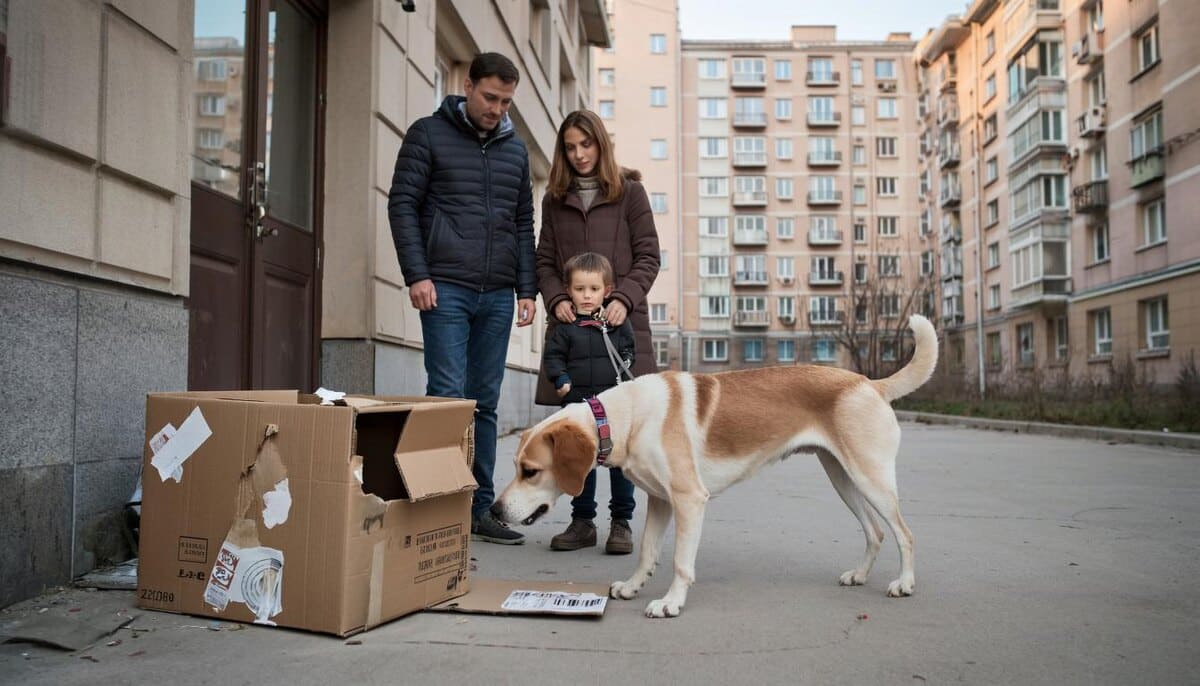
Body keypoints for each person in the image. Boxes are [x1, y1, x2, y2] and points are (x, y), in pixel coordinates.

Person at [388, 52, 536, 545]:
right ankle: (439, 506)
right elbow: (403, 205)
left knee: (485, 403)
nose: (497, 109)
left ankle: (479, 509)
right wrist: (417, 274)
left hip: (496, 293)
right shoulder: (427, 134)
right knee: (448, 398)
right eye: (490, 97)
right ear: (467, 85)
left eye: (506, 101)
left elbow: (522, 224)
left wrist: (527, 289)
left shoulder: (516, 151)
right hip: (444, 287)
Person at [535, 109, 661, 554]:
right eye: (570, 147)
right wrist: (557, 299)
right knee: (575, 433)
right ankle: (581, 522)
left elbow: (649, 255)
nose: (579, 154)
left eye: (586, 145)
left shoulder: (630, 193)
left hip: (620, 333)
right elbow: (545, 262)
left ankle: (622, 523)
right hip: (572, 336)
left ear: (601, 145)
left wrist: (623, 298)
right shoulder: (555, 199)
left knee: (622, 433)